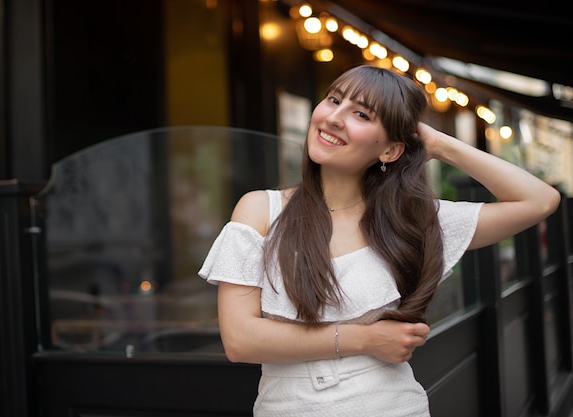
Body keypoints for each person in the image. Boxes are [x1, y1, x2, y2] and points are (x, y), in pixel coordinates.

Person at [198, 65, 560, 416]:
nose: (335, 117)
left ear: (390, 150)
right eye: (333, 99)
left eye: (361, 114)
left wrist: (438, 145)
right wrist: (365, 339)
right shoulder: (261, 209)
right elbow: (240, 340)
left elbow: (539, 200)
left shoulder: (414, 219)